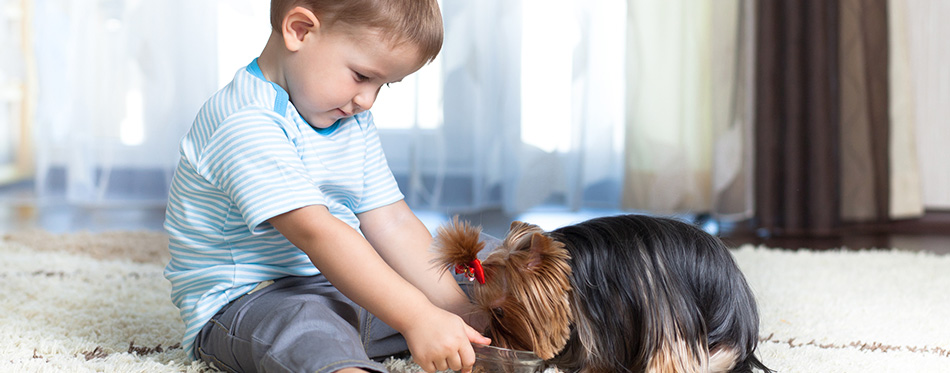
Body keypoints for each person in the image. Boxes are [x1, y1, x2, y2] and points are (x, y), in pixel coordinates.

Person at [162, 1, 490, 372]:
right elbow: (317, 233)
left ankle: (511, 328)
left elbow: (392, 223)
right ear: (299, 30)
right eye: (362, 76)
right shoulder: (244, 121)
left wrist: (461, 313)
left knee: (483, 269)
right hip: (252, 302)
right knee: (306, 328)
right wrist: (417, 317)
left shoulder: (351, 120)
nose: (367, 100)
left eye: (385, 85)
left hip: (340, 285)